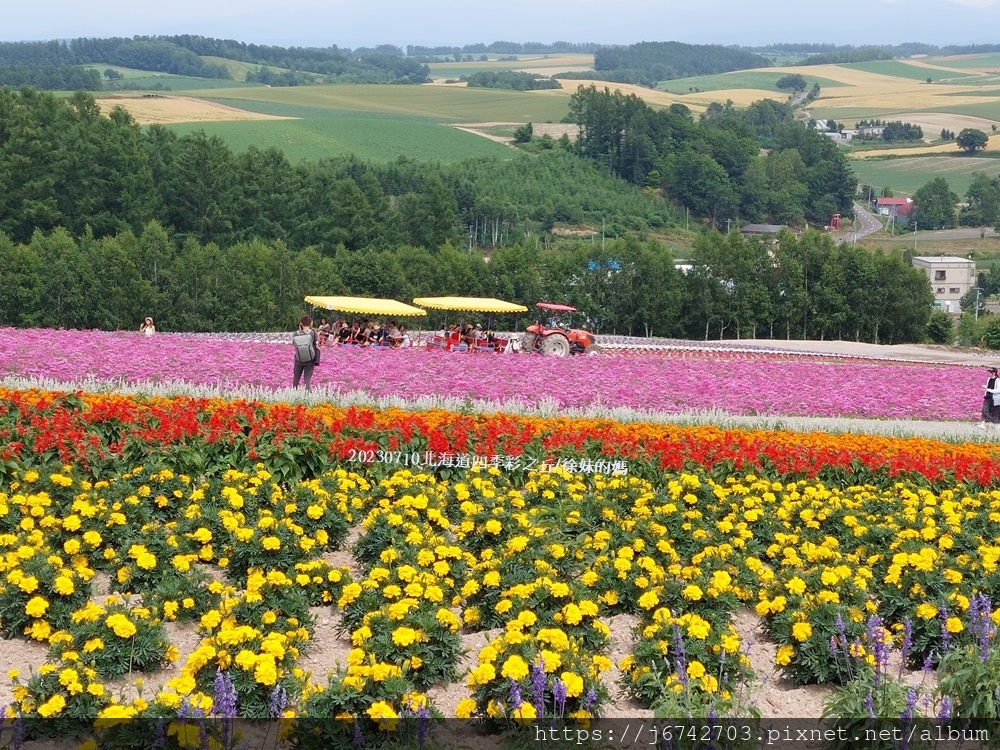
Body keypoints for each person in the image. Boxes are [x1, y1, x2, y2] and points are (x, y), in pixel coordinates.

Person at [292, 315, 319, 391]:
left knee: (296, 378)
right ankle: (307, 396)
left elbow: (294, 343)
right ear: (311, 323)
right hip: (310, 359)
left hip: (298, 358)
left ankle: (294, 394)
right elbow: (316, 341)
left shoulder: (296, 333)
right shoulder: (313, 333)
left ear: (301, 323)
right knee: (307, 379)